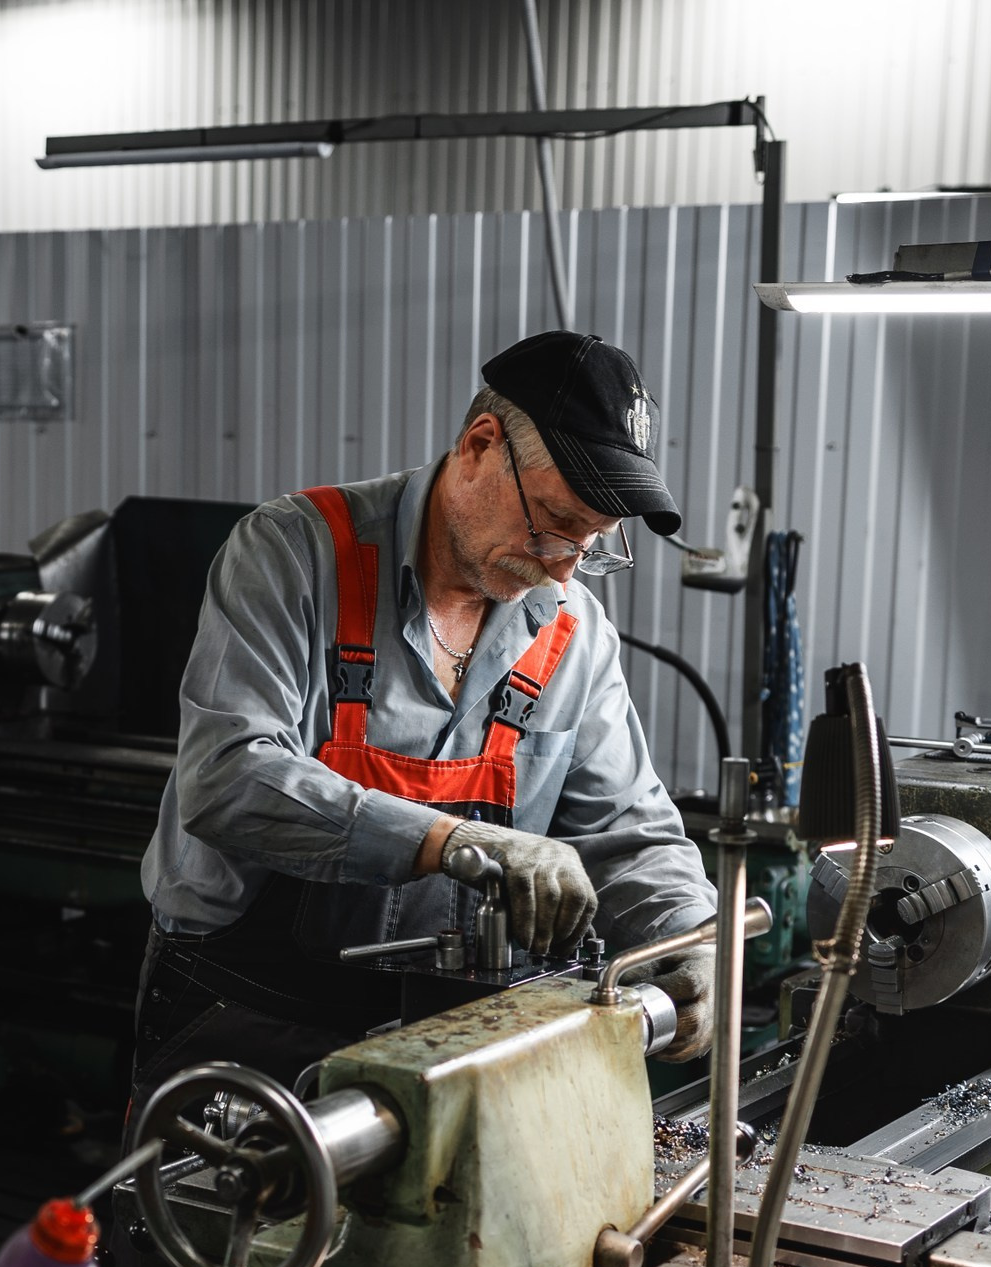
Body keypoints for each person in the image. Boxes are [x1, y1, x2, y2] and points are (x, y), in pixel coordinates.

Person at [132, 330, 721, 1106]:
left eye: (592, 545)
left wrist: (693, 942)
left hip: (448, 1045)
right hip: (247, 1020)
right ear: (480, 446)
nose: (563, 568)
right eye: (551, 523)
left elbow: (632, 829)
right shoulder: (295, 555)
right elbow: (227, 774)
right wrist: (453, 841)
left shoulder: (573, 631)